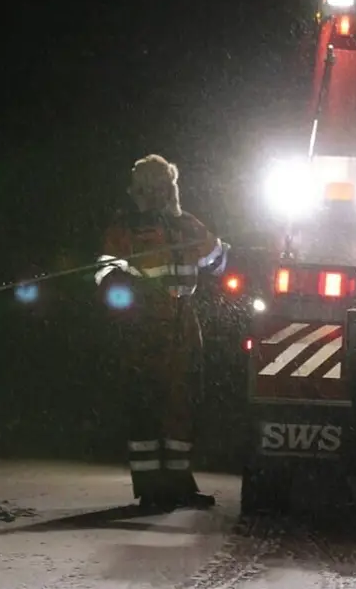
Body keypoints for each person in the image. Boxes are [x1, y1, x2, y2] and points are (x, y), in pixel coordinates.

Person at [94, 154, 229, 511]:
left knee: (182, 407)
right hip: (143, 326)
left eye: (160, 188)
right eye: (145, 189)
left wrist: (219, 251)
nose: (153, 195)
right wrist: (120, 282)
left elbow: (218, 262)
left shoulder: (186, 226)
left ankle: (179, 485)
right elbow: (103, 273)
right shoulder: (124, 230)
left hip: (183, 324)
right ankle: (151, 489)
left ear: (170, 189)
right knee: (145, 406)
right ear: (136, 191)